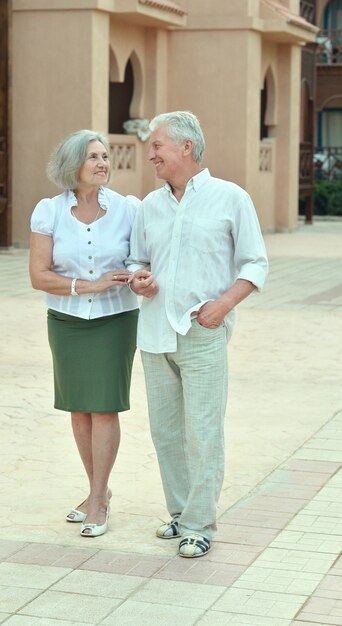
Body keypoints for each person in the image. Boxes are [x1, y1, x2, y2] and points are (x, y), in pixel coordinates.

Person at [127, 111, 268, 558]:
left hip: (203, 332)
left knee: (203, 432)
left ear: (186, 147)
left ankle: (199, 524)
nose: (150, 154)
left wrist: (223, 305)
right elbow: (136, 260)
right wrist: (140, 278)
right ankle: (180, 514)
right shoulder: (149, 205)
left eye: (157, 146)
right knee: (166, 433)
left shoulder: (231, 198)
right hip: (154, 334)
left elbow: (255, 263)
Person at [29, 130, 139, 537]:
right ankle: (100, 492)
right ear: (72, 165)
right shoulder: (48, 212)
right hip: (67, 322)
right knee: (79, 408)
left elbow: (141, 258)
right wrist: (88, 286)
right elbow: (39, 276)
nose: (102, 163)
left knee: (104, 406)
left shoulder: (128, 209)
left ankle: (96, 499)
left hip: (116, 320)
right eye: (93, 156)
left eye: (105, 156)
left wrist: (137, 276)